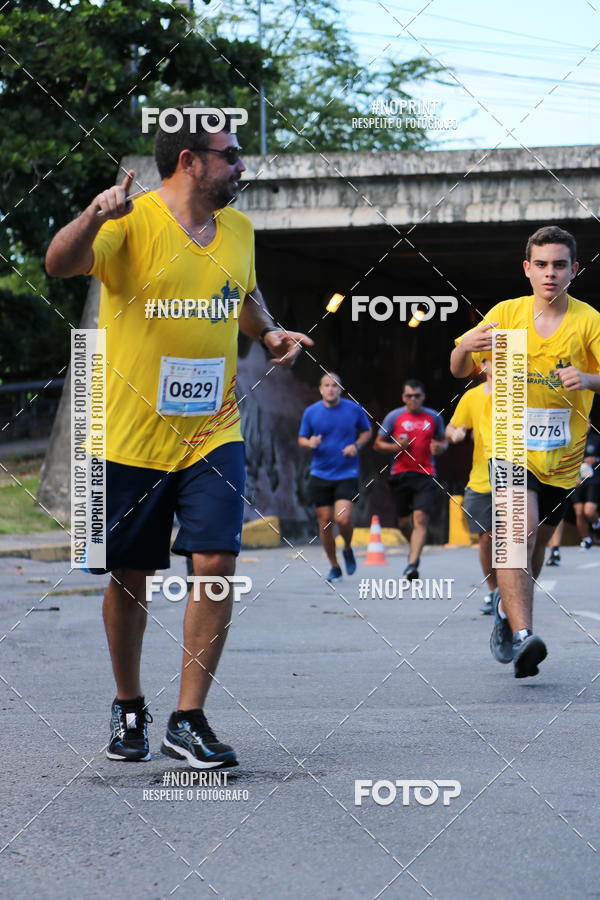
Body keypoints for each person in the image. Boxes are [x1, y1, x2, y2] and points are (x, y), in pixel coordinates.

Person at [45, 111, 312, 768]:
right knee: (129, 577)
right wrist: (93, 215)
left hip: (213, 434)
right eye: (231, 155)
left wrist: (269, 333)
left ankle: (187, 717)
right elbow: (59, 263)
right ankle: (128, 704)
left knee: (216, 564)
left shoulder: (240, 231)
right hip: (127, 438)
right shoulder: (128, 223)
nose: (242, 165)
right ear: (190, 160)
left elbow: (242, 296)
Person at [451, 225, 600, 679]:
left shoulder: (589, 321)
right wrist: (464, 348)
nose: (550, 273)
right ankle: (523, 637)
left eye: (559, 265)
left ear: (574, 270)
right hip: (510, 446)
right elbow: (459, 368)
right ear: (527, 270)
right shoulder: (506, 315)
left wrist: (589, 379)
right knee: (520, 530)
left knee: (532, 546)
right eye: (541, 265)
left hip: (562, 457)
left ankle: (507, 610)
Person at [298, 373, 371, 582]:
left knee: (343, 518)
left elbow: (366, 432)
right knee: (326, 522)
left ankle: (347, 547)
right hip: (320, 473)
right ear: (320, 389)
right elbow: (301, 438)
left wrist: (355, 446)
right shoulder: (311, 412)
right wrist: (310, 443)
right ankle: (334, 566)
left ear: (340, 389)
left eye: (335, 385)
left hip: (346, 472)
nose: (331, 389)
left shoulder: (353, 409)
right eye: (327, 385)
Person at [374, 379, 447, 580]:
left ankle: (412, 563)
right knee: (404, 523)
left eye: (417, 396)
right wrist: (394, 447)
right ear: (403, 397)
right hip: (400, 474)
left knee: (421, 519)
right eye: (409, 396)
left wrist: (440, 448)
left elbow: (443, 441)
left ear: (423, 397)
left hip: (426, 474)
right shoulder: (394, 417)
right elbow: (377, 444)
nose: (413, 399)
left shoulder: (433, 417)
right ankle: (413, 547)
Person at [446, 359, 497, 614]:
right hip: (481, 479)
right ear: (483, 366)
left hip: (521, 475)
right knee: (487, 539)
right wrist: (454, 433)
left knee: (516, 540)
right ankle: (493, 591)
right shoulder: (472, 397)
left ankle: (514, 590)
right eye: (491, 359)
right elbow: (453, 427)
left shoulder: (525, 392)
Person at [572, 426, 600, 549]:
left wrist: (596, 459)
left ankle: (597, 524)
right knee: (579, 512)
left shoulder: (596, 439)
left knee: (589, 512)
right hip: (576, 480)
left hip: (592, 479)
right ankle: (586, 539)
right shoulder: (572, 439)